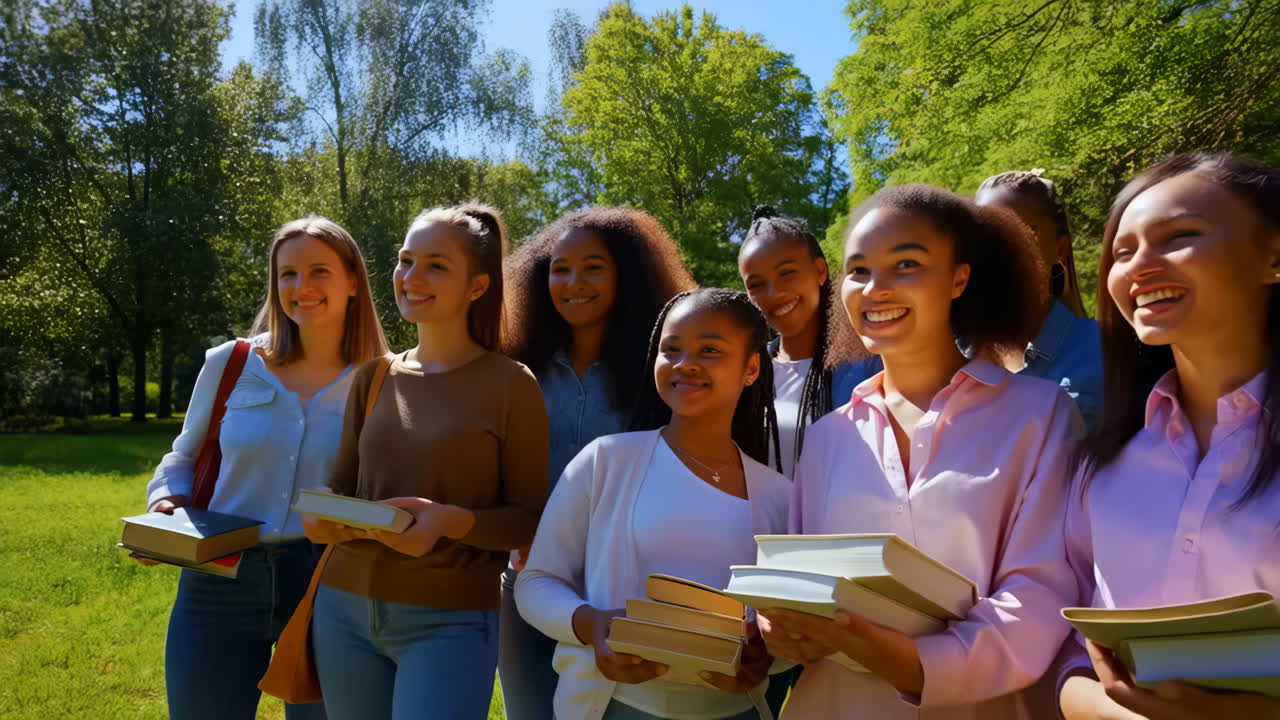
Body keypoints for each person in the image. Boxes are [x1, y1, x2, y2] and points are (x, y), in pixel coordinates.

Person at [759, 185, 1081, 719]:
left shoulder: (1039, 415)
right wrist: (779, 626)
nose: (874, 289)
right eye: (858, 271)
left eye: (905, 264)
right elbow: (797, 583)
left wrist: (908, 662)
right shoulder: (827, 437)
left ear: (960, 277)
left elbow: (1043, 594)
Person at [305, 204, 550, 720]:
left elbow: (528, 520)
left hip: (450, 621)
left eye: (436, 265)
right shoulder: (373, 376)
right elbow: (338, 487)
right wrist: (326, 514)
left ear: (477, 287)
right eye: (405, 260)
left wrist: (449, 522)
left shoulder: (512, 385)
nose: (412, 278)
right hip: (343, 611)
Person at [1058, 153, 1280, 720]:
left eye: (1179, 236)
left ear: (1272, 254)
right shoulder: (1101, 464)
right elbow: (1066, 654)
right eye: (1122, 252)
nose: (1138, 268)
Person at [144, 216, 387, 720]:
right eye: (288, 274)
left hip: (328, 583)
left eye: (319, 271)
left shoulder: (385, 379)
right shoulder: (230, 363)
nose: (302, 287)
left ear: (353, 283)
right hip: (219, 577)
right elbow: (183, 456)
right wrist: (165, 503)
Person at [516, 289, 791, 720]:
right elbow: (535, 582)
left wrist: (768, 657)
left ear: (751, 367)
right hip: (612, 706)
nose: (686, 364)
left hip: (735, 712)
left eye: (711, 350)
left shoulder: (781, 497)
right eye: (671, 349)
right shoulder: (605, 460)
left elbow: (797, 621)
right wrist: (592, 626)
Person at [498, 207, 695, 720]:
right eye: (560, 269)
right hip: (528, 579)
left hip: (622, 585)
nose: (572, 282)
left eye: (593, 267)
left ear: (624, 275)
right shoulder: (519, 368)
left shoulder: (658, 373)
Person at [737, 205, 880, 479]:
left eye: (787, 273)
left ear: (820, 271)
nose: (774, 293)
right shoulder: (748, 373)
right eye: (755, 284)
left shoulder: (870, 363)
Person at [975, 170, 1103, 429]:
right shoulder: (951, 355)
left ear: (1061, 248)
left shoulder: (1108, 348)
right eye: (989, 237)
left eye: (1026, 234)